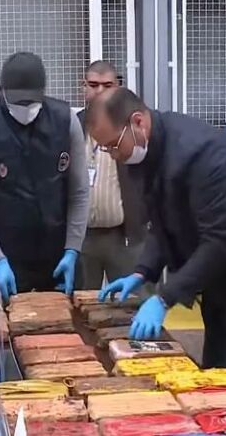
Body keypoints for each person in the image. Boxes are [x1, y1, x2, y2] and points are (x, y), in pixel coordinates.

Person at [93, 87, 226, 393]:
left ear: (138, 122)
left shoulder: (202, 153)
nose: (113, 155)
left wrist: (164, 298)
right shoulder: (145, 153)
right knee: (214, 370)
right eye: (105, 149)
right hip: (216, 268)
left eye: (113, 146)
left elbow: (219, 240)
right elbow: (162, 220)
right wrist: (142, 272)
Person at [0, 51, 89, 302]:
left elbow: (80, 192)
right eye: (19, 103)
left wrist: (73, 249)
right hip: (7, 257)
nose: (26, 109)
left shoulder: (65, 121)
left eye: (32, 102)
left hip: (59, 255)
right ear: (1, 90)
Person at [76, 60, 146, 290]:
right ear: (83, 87)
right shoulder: (71, 126)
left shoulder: (133, 127)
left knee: (130, 302)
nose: (99, 91)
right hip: (82, 237)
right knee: (82, 303)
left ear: (118, 87)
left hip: (123, 236)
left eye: (107, 85)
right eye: (93, 85)